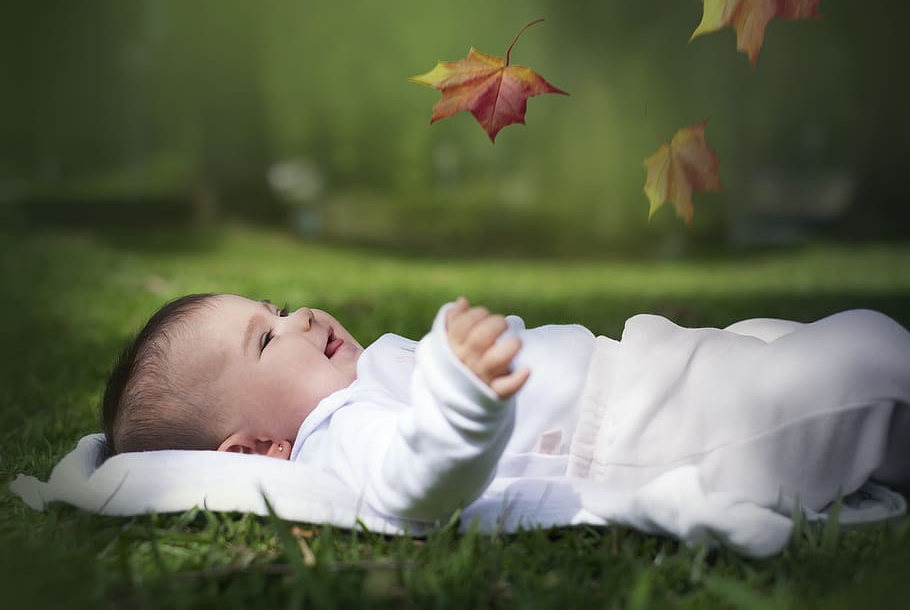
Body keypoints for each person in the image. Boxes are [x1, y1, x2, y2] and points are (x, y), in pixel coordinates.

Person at [103, 293, 910, 525]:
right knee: (865, 361)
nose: (302, 318)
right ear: (252, 453)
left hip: (647, 369)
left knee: (790, 346)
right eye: (265, 339)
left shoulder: (349, 386)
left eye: (278, 307)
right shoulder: (336, 437)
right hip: (646, 428)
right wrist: (464, 398)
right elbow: (414, 482)